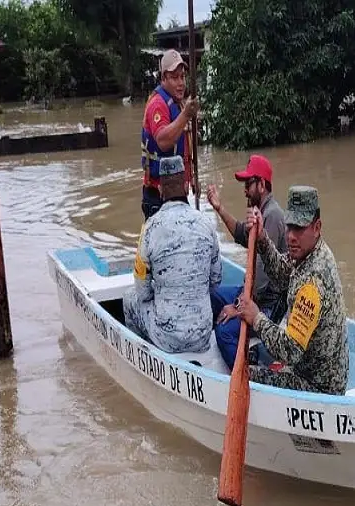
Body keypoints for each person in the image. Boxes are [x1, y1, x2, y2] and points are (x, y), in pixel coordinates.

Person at [234, 186, 349, 395]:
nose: (291, 236)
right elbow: (281, 273)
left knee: (247, 374)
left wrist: (256, 317)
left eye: (299, 228)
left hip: (318, 388)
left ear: (317, 227)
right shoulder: (311, 252)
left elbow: (289, 351)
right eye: (289, 227)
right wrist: (262, 239)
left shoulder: (312, 283)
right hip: (311, 369)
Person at [123, 155, 222, 354]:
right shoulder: (206, 224)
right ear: (186, 187)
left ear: (160, 191)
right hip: (202, 335)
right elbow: (216, 280)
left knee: (128, 298)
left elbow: (142, 292)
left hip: (166, 338)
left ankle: (146, 354)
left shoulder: (150, 227)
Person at [205, 154, 288, 369]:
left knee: (224, 332)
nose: (244, 190)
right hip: (251, 292)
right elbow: (242, 234)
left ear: (262, 185)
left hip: (267, 305)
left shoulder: (273, 216)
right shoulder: (260, 212)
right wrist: (219, 208)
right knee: (213, 296)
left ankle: (249, 373)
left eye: (248, 184)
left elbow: (260, 280)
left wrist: (236, 307)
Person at [141, 49, 199, 220]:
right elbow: (163, 141)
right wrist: (186, 115)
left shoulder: (178, 103)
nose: (181, 83)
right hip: (159, 194)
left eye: (182, 76)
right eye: (174, 78)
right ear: (163, 78)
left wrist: (192, 176)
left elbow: (185, 146)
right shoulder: (158, 105)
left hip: (177, 192)